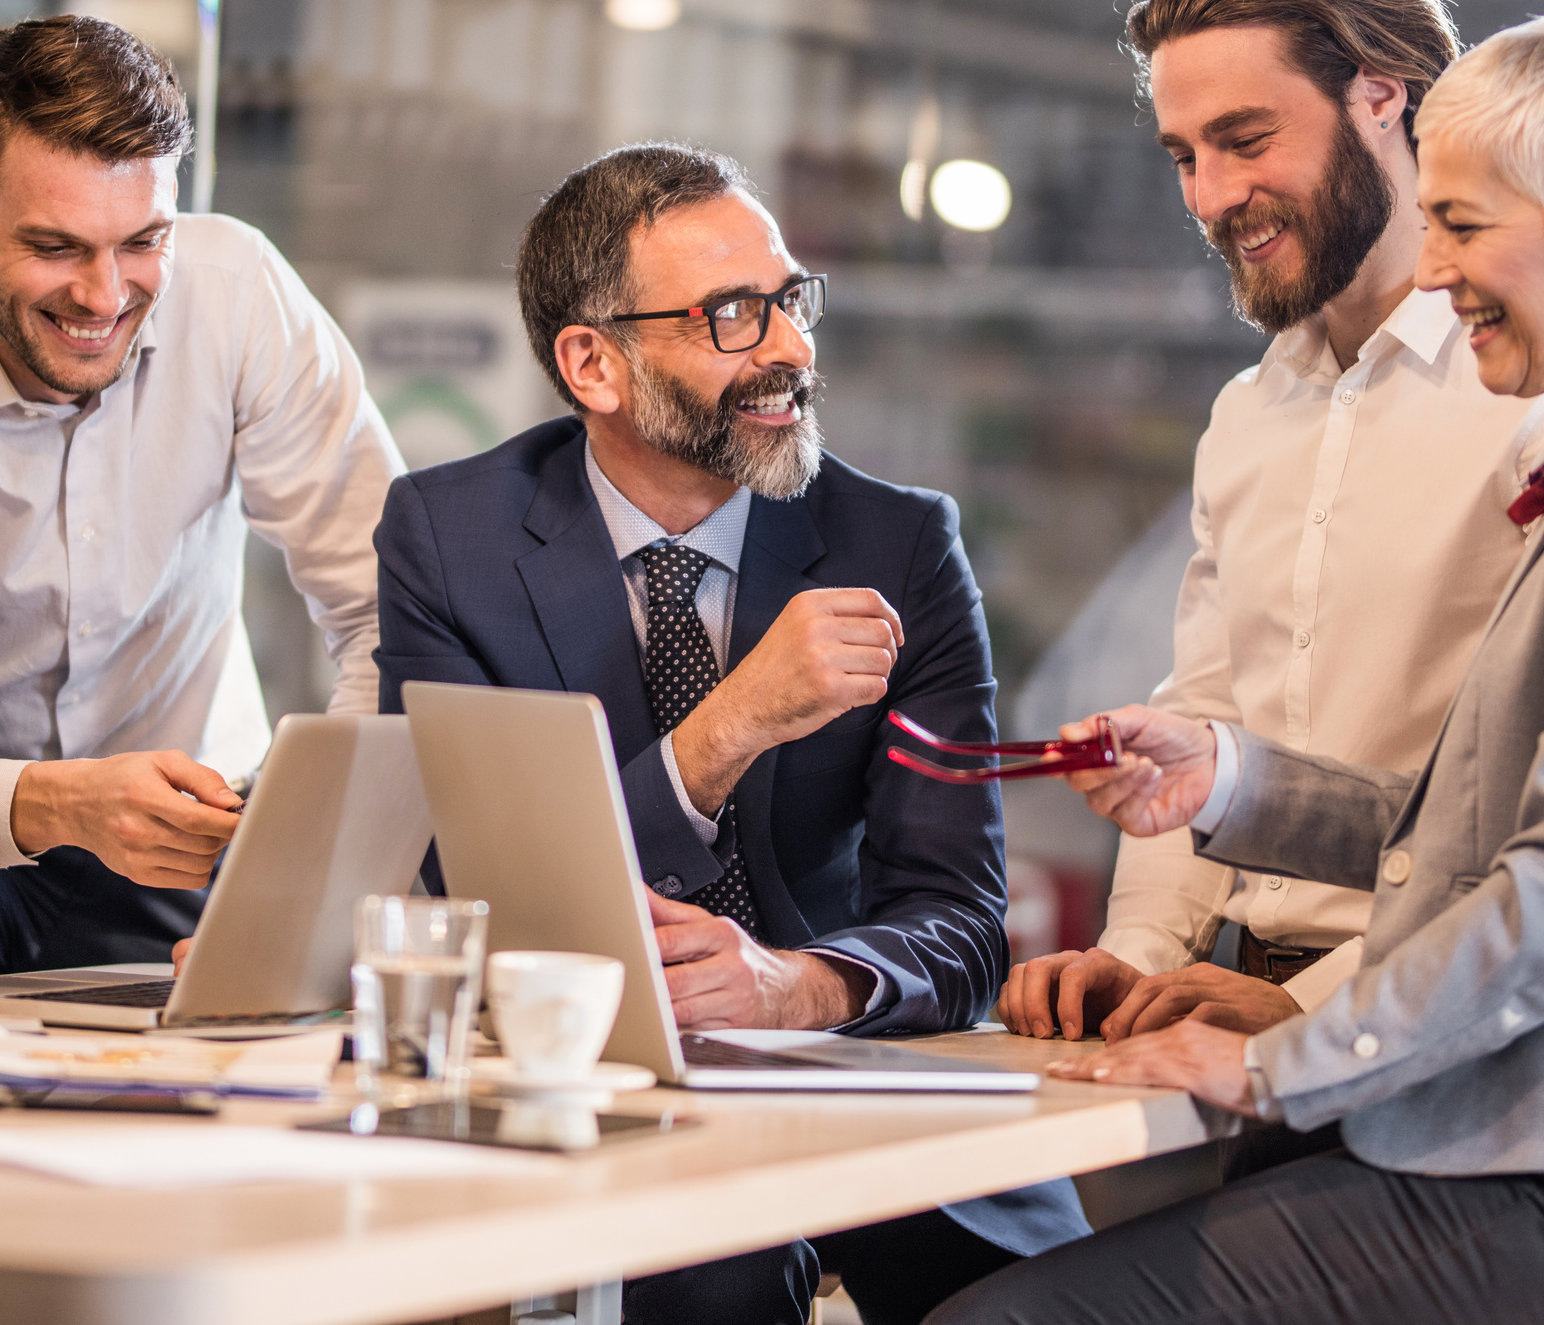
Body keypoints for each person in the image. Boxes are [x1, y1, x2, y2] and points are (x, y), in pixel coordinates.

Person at [934, 14, 1544, 1325]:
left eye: (1463, 227)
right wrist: (1226, 780)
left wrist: (1278, 1064)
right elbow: (1465, 833)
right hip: (1510, 1139)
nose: (1432, 271)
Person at [375, 143, 1089, 1325]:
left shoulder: (898, 543)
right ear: (593, 363)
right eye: (732, 315)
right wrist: (732, 723)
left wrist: (795, 988)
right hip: (585, 1083)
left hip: (856, 1085)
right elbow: (467, 889)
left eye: (790, 301)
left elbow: (963, 924)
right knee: (705, 1274)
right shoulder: (450, 537)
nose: (792, 349)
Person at [996, 0, 1544, 1174]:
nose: (1208, 196)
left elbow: (1541, 816)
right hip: (1218, 1021)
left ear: (1382, 99)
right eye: (1183, 155)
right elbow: (1202, 719)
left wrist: (1307, 1007)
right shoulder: (1249, 415)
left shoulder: (1534, 395)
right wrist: (1133, 964)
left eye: (1247, 141)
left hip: (1430, 1051)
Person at [0, 16, 402, 975]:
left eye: (142, 242)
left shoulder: (240, 292)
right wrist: (53, 804)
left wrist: (302, 855)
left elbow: (390, 611)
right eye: (54, 247)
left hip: (201, 852)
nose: (103, 294)